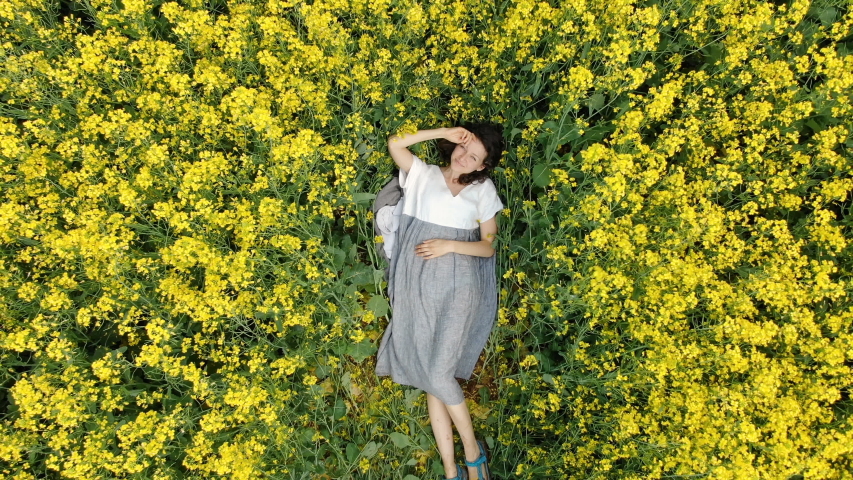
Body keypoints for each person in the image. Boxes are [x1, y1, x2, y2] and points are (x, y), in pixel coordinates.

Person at [374, 124, 504, 480]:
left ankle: (473, 453)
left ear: (482, 166)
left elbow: (487, 246)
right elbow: (395, 141)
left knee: (436, 373)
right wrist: (446, 130)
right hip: (417, 284)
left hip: (460, 286)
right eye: (465, 148)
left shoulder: (483, 191)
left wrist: (449, 245)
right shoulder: (422, 174)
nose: (465, 157)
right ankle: (451, 470)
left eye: (475, 156)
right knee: (433, 376)